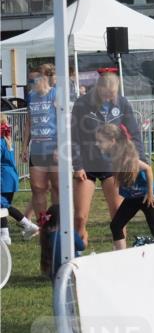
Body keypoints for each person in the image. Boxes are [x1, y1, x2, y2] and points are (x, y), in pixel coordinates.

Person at [69, 67, 144, 248]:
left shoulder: (123, 103)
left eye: (114, 95)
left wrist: (139, 159)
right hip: (87, 166)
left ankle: (120, 254)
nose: (111, 99)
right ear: (98, 89)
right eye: (108, 95)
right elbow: (73, 137)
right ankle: (78, 251)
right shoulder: (81, 104)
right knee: (80, 217)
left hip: (113, 165)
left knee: (118, 213)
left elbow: (134, 134)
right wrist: (77, 165)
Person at [94, 124, 154, 250]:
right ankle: (121, 255)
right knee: (116, 225)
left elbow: (148, 169)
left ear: (112, 141)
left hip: (147, 196)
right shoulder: (110, 154)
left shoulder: (126, 156)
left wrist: (150, 194)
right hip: (132, 197)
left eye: (100, 141)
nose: (97, 144)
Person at [22, 65, 60, 220]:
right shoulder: (31, 96)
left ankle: (58, 222)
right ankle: (43, 223)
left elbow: (63, 122)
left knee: (57, 187)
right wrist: (24, 146)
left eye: (34, 80)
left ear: (44, 78)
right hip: (37, 149)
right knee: (38, 188)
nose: (31, 83)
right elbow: (29, 123)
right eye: (29, 81)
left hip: (54, 148)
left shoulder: (55, 94)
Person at [1, 116, 39, 243]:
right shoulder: (6, 140)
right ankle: (8, 234)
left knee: (3, 206)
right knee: (3, 206)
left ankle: (24, 227)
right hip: (9, 177)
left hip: (3, 178)